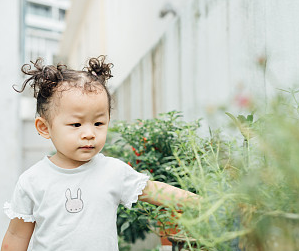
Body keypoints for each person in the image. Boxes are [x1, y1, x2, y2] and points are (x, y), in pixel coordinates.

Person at [1, 56, 198, 251]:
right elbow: (17, 235)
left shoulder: (113, 171)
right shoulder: (33, 180)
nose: (89, 134)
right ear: (44, 127)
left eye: (98, 123)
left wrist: (203, 203)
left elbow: (155, 191)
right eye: (76, 124)